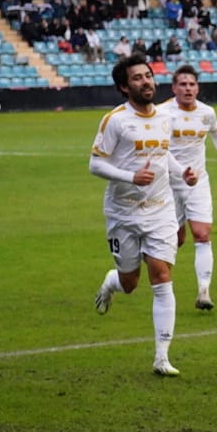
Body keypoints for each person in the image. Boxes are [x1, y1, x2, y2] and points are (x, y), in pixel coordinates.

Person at [91, 54, 197, 376]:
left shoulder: (165, 117)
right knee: (130, 282)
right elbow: (95, 165)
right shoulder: (115, 121)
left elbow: (163, 156)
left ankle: (161, 357)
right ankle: (111, 283)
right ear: (125, 87)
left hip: (161, 209)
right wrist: (130, 177)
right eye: (137, 78)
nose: (146, 81)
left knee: (162, 274)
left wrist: (183, 173)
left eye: (148, 75)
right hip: (122, 212)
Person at [156, 66, 217, 311]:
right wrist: (181, 172)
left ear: (197, 87)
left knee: (202, 234)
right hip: (168, 184)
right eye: (183, 84)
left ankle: (204, 292)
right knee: (175, 240)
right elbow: (159, 149)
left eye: (192, 84)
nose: (188, 88)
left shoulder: (207, 112)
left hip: (197, 182)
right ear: (174, 88)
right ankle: (159, 285)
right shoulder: (161, 113)